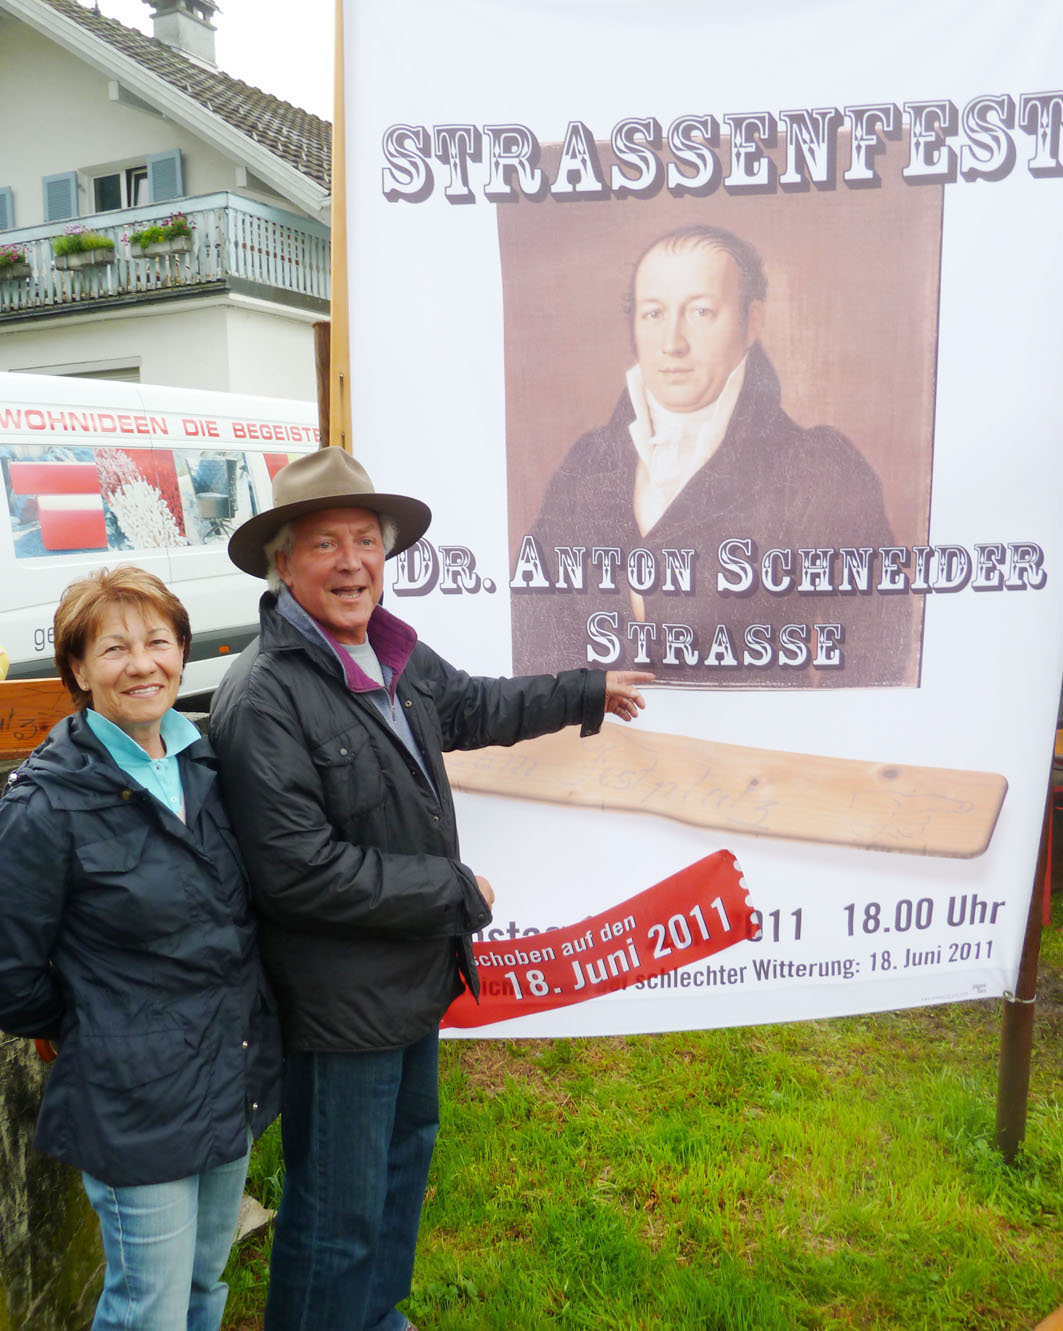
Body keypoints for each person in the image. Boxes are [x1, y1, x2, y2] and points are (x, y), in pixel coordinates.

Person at [209, 446, 652, 1331]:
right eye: (325, 544)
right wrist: (452, 890)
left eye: (365, 541)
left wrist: (585, 692)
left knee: (399, 1168)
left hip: (408, 981)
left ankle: (373, 1315)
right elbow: (299, 871)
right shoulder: (263, 696)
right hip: (341, 1004)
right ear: (283, 564)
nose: (352, 563)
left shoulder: (388, 653)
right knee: (336, 1208)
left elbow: (474, 706)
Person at [0, 566, 282, 1331]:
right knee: (148, 1310)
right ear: (78, 668)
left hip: (228, 1074)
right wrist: (90, 1023)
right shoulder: (44, 804)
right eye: (113, 647)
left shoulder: (208, 764)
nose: (141, 664)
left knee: (203, 1287)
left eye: (157, 641)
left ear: (182, 652)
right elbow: (10, 973)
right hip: (133, 1102)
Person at [511, 222, 913, 686]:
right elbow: (535, 634)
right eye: (653, 314)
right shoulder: (586, 466)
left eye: (700, 312)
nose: (672, 343)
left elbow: (874, 655)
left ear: (751, 322)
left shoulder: (815, 468)